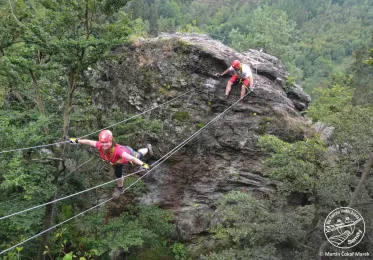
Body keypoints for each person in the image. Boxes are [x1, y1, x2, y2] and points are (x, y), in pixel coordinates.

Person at [69, 129, 153, 198]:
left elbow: (131, 158)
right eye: (103, 142)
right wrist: (77, 140)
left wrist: (143, 165)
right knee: (118, 175)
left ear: (111, 140)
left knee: (137, 155)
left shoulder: (118, 151)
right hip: (117, 162)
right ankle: (120, 188)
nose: (104, 145)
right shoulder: (100, 145)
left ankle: (148, 149)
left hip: (127, 154)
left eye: (107, 142)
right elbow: (89, 142)